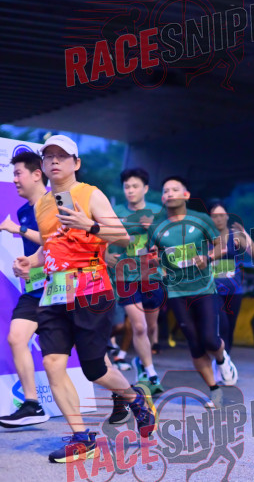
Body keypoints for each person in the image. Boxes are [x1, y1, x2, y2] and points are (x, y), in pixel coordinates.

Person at [12, 135, 155, 463]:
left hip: (91, 291)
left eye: (62, 156)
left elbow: (122, 237)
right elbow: (51, 246)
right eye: (48, 156)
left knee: (95, 369)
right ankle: (81, 438)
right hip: (54, 294)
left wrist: (88, 224)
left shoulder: (90, 194)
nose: (54, 161)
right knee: (52, 363)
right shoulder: (42, 203)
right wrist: (30, 261)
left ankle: (134, 399)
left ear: (76, 163)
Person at [148, 176, 238, 409]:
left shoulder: (201, 220)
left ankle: (222, 358)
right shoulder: (157, 227)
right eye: (166, 190)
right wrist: (157, 264)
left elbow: (221, 246)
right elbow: (152, 255)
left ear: (186, 195)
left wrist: (208, 257)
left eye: (174, 189)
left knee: (209, 339)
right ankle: (214, 390)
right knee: (195, 345)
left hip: (204, 288)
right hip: (176, 292)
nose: (169, 193)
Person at [0, 151, 53, 427]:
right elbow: (37, 253)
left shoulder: (55, 203)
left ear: (36, 174)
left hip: (63, 289)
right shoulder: (23, 212)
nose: (14, 180)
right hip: (35, 290)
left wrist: (16, 229)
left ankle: (126, 395)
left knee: (96, 360)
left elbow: (54, 241)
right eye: (13, 174)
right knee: (16, 338)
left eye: (18, 173)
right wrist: (26, 266)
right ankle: (32, 404)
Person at [105, 168, 165, 403]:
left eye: (135, 186)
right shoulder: (116, 212)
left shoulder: (157, 211)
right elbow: (103, 237)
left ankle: (142, 360)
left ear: (145, 188)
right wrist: (106, 255)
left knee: (150, 328)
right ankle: (151, 374)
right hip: (125, 276)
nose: (130, 191)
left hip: (151, 275)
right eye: (127, 187)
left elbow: (167, 240)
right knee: (138, 327)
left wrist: (155, 238)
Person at [208, 200, 254, 358]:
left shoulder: (235, 236)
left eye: (221, 215)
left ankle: (226, 359)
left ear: (227, 216)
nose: (218, 219)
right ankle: (220, 358)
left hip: (234, 290)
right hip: (213, 290)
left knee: (230, 327)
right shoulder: (205, 238)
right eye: (214, 216)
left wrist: (245, 234)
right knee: (222, 324)